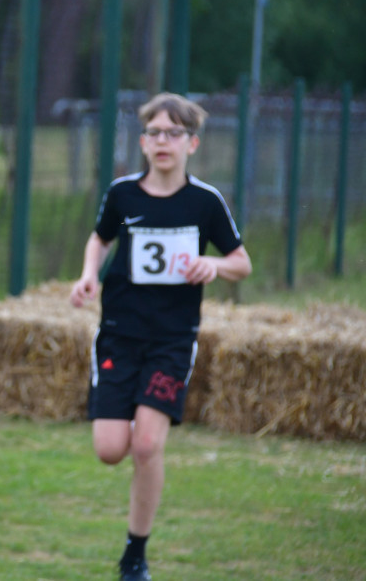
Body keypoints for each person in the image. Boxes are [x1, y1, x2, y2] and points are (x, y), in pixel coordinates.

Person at [68, 93, 252, 581]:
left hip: (172, 342)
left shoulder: (205, 202)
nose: (161, 141)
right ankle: (125, 431)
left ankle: (135, 554)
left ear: (192, 143)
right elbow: (100, 237)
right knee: (110, 449)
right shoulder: (123, 193)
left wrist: (213, 263)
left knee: (147, 446)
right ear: (143, 142)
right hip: (118, 337)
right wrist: (89, 274)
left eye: (173, 133)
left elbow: (241, 261)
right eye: (153, 133)